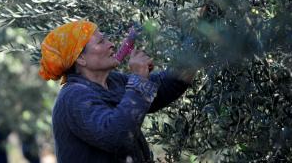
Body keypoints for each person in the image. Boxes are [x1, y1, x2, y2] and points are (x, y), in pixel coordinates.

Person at [39, 20, 196, 163]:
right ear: (80, 59)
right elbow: (117, 136)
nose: (111, 44)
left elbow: (165, 87)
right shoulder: (73, 96)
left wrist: (201, 39)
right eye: (101, 42)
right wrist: (139, 80)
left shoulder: (113, 81)